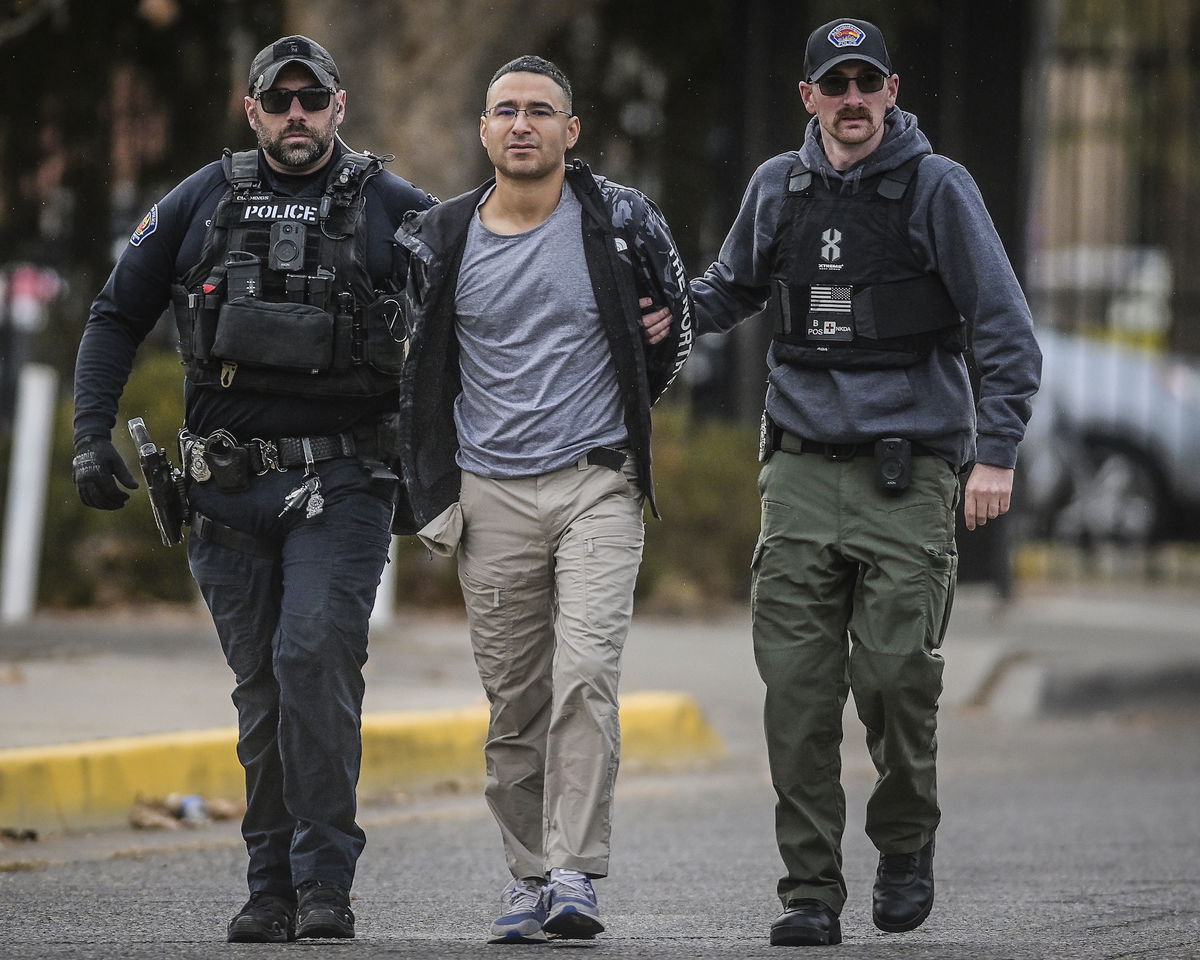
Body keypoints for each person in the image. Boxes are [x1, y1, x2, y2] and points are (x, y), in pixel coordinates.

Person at [71, 35, 435, 943]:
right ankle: (269, 885)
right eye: (282, 102)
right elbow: (117, 312)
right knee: (265, 691)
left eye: (314, 100)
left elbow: (483, 311)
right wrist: (89, 438)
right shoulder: (199, 199)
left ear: (341, 107)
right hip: (223, 491)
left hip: (344, 480)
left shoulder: (398, 209)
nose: (298, 116)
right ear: (254, 110)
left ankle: (324, 884)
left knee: (312, 659)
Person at [690, 18, 1041, 947]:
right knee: (797, 694)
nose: (851, 101)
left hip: (909, 472)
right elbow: (727, 291)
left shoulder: (937, 188)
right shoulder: (780, 186)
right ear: (808, 97)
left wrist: (994, 453)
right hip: (801, 471)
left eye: (866, 83)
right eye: (833, 85)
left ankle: (905, 842)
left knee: (893, 677)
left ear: (892, 91)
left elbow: (1005, 331)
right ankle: (809, 891)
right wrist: (657, 311)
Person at [393, 55, 692, 944]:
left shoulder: (622, 220)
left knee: (586, 675)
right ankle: (527, 877)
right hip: (490, 494)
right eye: (505, 112)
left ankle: (574, 872)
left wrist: (640, 381)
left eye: (541, 111)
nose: (522, 125)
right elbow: (415, 371)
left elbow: (672, 330)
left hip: (598, 481)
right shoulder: (438, 239)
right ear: (482, 132)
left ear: (572, 131)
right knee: (515, 699)